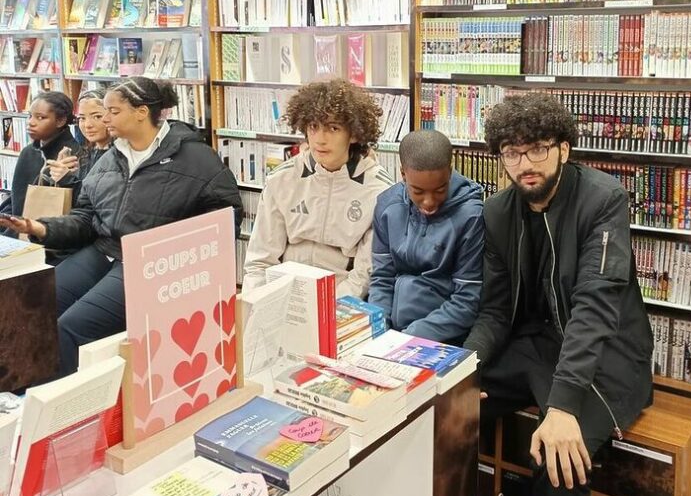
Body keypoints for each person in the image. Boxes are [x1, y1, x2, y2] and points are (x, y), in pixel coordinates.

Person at [425, 94, 652, 496]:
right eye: (512, 151)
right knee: (444, 413)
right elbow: (496, 312)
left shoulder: (603, 199)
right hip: (533, 344)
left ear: (564, 148)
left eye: (538, 149)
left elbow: (596, 309)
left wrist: (564, 406)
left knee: (560, 464)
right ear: (499, 155)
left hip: (604, 358)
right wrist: (463, 369)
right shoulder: (499, 213)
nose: (525, 162)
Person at [0, 77, 242, 374]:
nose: (104, 118)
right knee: (26, 305)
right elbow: (86, 217)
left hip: (149, 262)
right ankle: (17, 396)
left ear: (141, 112)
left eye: (112, 111)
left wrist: (176, 255)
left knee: (71, 327)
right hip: (103, 250)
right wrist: (40, 227)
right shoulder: (110, 158)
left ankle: (61, 411)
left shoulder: (196, 158)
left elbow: (226, 218)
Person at [241, 79, 394, 299]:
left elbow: (363, 276)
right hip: (283, 294)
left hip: (341, 299)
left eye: (333, 128)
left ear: (354, 134)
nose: (320, 139)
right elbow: (260, 261)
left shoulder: (380, 191)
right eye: (313, 127)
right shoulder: (281, 179)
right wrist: (255, 305)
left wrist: (325, 310)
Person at [368, 129, 484, 343]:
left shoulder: (470, 216)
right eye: (418, 192)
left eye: (440, 190)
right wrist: (378, 326)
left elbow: (467, 299)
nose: (429, 202)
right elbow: (382, 278)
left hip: (441, 334)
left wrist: (410, 337)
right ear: (403, 174)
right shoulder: (387, 206)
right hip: (391, 331)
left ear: (450, 172)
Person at [2, 91, 78, 221]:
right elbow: (16, 201)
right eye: (30, 116)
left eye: (41, 118)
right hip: (17, 228)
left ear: (60, 121)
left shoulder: (73, 155)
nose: (31, 122)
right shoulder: (28, 152)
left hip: (51, 233)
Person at [42, 89, 113, 196]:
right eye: (82, 118)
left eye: (97, 116)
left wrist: (67, 179)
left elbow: (98, 200)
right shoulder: (82, 154)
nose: (87, 125)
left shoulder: (119, 158)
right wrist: (57, 174)